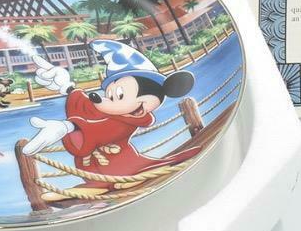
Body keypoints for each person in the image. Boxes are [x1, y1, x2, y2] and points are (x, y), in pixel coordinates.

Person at [22, 41, 199, 177]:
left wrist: (67, 127)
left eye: (119, 95)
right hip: (96, 172)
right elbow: (87, 107)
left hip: (121, 168)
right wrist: (66, 86)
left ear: (142, 105)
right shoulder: (116, 112)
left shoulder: (125, 123)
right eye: (110, 95)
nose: (105, 101)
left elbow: (99, 130)